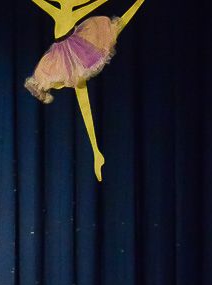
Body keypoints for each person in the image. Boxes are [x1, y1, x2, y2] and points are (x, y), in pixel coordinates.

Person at [24, 0, 149, 180]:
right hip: (64, 57)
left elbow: (97, 3)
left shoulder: (71, 11)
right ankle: (96, 152)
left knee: (84, 99)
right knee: (83, 99)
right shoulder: (59, 11)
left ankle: (96, 152)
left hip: (76, 54)